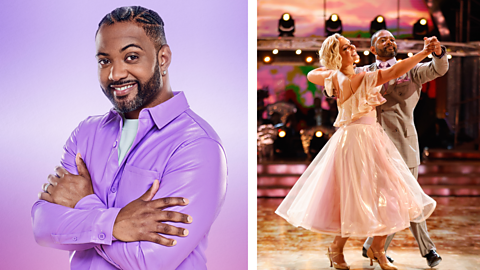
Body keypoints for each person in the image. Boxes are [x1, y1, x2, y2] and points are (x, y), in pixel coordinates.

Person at [31, 6, 227, 270]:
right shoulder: (86, 133)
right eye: (105, 61)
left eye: (131, 57)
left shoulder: (197, 145)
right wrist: (116, 224)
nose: (116, 74)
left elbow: (149, 260)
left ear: (163, 58)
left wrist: (84, 205)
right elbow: (43, 227)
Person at [275, 33, 437, 270]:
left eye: (351, 45)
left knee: (395, 193)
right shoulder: (359, 77)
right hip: (354, 141)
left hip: (373, 138)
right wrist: (423, 53)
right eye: (346, 48)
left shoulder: (342, 76)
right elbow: (393, 72)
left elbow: (313, 73)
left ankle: (377, 247)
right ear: (337, 57)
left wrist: (332, 71)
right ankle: (338, 249)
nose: (352, 48)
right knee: (353, 197)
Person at [355, 30, 448, 268]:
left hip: (404, 145)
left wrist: (438, 53)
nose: (390, 42)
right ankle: (375, 248)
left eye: (392, 39)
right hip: (373, 146)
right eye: (383, 39)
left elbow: (438, 69)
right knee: (389, 201)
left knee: (411, 199)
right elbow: (338, 86)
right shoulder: (363, 73)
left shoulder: (412, 69)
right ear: (373, 49)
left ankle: (419, 250)